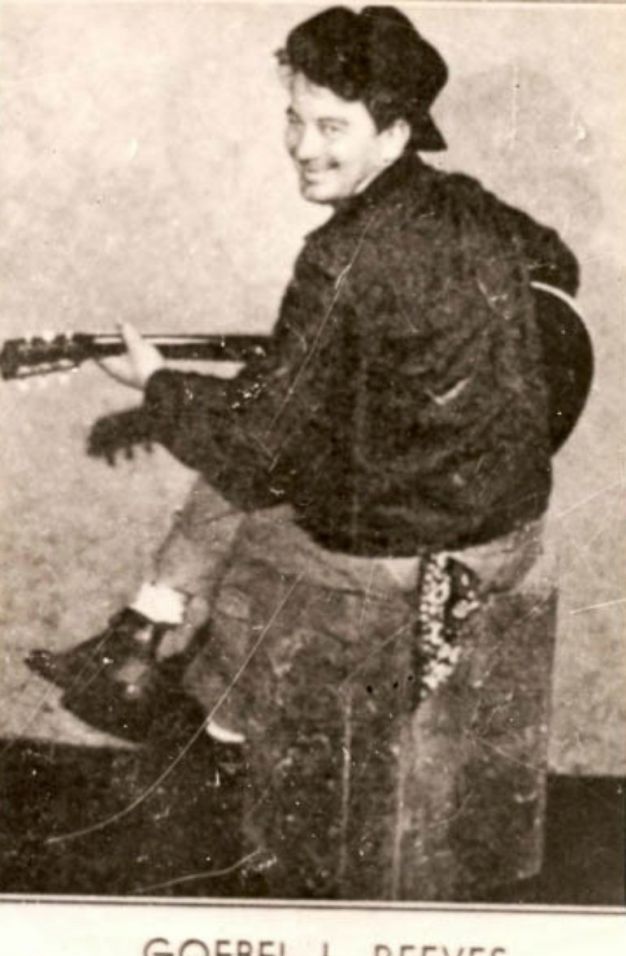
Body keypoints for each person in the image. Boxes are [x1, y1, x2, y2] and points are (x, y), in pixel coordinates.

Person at [29, 6, 582, 898]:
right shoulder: (469, 203)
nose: (302, 146)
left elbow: (256, 447)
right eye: (295, 118)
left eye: (332, 127)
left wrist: (156, 385)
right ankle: (146, 651)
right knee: (264, 472)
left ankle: (209, 736)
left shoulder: (339, 257)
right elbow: (558, 270)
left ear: (394, 133)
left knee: (242, 524)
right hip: (511, 525)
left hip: (418, 555)